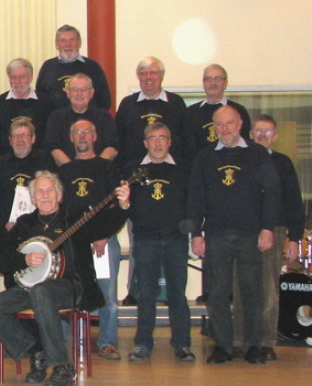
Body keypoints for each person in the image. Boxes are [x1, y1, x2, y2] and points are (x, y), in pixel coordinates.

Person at [0, 171, 130, 386]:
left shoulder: (74, 217)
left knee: (42, 292)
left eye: (50, 190)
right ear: (33, 199)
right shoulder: (24, 224)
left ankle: (62, 367)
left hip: (70, 285)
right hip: (29, 289)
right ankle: (37, 351)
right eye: (40, 191)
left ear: (59, 195)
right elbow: (1, 259)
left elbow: (104, 225)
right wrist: (24, 259)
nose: (45, 195)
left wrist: (123, 206)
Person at [187, 105, 280, 365]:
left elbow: (272, 192)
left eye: (229, 123)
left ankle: (253, 345)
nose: (225, 129)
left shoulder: (257, 153)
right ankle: (223, 346)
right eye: (219, 124)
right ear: (214, 127)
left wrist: (267, 228)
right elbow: (195, 196)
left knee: (251, 291)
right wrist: (196, 233)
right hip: (216, 235)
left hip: (250, 234)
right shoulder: (205, 157)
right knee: (217, 293)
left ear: (240, 124)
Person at [232, 114, 304, 361]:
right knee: (240, 285)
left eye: (268, 131)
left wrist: (294, 237)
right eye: (258, 131)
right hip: (243, 231)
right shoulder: (239, 160)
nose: (262, 135)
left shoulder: (283, 163)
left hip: (275, 229)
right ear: (250, 134)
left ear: (276, 136)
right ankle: (240, 339)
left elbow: (294, 201)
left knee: (268, 287)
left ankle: (265, 341)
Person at [121, 123, 194, 362]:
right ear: (145, 143)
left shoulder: (184, 168)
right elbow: (125, 206)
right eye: (153, 138)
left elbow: (193, 201)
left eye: (163, 137)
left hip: (176, 238)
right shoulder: (132, 169)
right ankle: (143, 344)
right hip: (145, 239)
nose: (158, 143)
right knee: (146, 294)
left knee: (177, 294)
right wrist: (124, 204)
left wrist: (193, 231)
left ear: (170, 141)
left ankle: (182, 344)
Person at [57, 119, 125, 361]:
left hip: (103, 242)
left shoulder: (107, 168)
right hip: (74, 244)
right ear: (71, 138)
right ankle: (62, 346)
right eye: (77, 132)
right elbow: (60, 209)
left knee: (107, 296)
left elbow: (116, 205)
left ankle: (107, 343)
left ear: (95, 136)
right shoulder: (64, 171)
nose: (82, 136)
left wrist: (102, 234)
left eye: (87, 131)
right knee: (69, 293)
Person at [115, 57, 187, 167]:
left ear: (161, 75)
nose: (148, 77)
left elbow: (185, 139)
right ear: (139, 77)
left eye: (153, 73)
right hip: (134, 169)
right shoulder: (127, 104)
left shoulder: (176, 102)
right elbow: (118, 139)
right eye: (143, 73)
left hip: (170, 169)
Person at [0, 119, 55, 235]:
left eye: (24, 135)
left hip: (39, 226)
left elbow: (53, 193)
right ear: (10, 141)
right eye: (15, 136)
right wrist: (4, 222)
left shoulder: (45, 161)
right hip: (6, 228)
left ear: (33, 138)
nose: (19, 140)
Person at [45, 73, 118, 166]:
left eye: (84, 89)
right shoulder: (56, 118)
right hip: (66, 171)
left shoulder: (104, 117)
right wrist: (72, 170)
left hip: (99, 171)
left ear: (91, 93)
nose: (79, 94)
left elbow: (112, 147)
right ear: (68, 93)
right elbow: (52, 148)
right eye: (74, 89)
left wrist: (97, 168)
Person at [35, 24, 112, 112]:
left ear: (79, 42)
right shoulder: (48, 67)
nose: (68, 44)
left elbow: (104, 101)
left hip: (87, 119)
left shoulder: (92, 67)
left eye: (72, 40)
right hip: (55, 119)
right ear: (57, 44)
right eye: (63, 40)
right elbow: (40, 99)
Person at [183, 64, 252, 161]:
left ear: (225, 83)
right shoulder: (190, 113)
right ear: (203, 83)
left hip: (232, 165)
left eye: (218, 79)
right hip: (200, 167)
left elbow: (246, 144)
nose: (213, 83)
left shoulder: (239, 111)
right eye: (208, 79)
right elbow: (186, 148)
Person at [0, 58, 51, 153]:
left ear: (30, 77)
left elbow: (49, 137)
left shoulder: (46, 103)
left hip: (39, 158)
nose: (18, 81)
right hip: (6, 159)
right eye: (13, 77)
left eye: (22, 77)